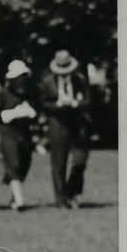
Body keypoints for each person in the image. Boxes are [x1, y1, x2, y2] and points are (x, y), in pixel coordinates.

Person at [38, 49, 90, 208]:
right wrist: (57, 105)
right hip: (57, 123)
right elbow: (43, 103)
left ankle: (72, 190)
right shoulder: (47, 82)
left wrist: (77, 103)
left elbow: (88, 100)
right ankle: (60, 199)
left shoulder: (80, 80)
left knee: (80, 160)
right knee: (59, 162)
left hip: (76, 122)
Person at [0, 60, 37, 211]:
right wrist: (12, 114)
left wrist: (29, 113)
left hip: (24, 133)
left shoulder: (28, 93)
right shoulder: (3, 93)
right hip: (9, 133)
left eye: (23, 76)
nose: (21, 80)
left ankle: (14, 196)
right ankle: (19, 200)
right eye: (19, 77)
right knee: (13, 163)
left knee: (24, 163)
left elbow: (35, 113)